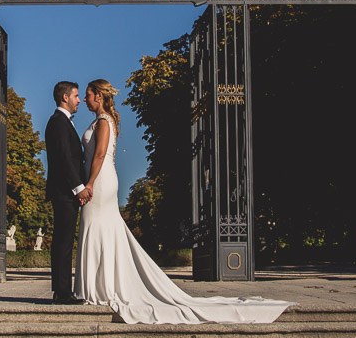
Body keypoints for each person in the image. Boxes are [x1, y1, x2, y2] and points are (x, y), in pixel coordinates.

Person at [74, 78, 295, 324]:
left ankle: (97, 288)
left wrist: (90, 183)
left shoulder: (104, 122)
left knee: (96, 226)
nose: (85, 99)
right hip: (101, 178)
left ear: (99, 96)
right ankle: (99, 286)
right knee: (101, 229)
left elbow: (101, 153)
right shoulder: (101, 121)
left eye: (88, 94)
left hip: (101, 180)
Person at [44, 80, 89, 304]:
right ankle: (62, 292)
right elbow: (64, 159)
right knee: (63, 242)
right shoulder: (58, 123)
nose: (79, 100)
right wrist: (78, 188)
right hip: (63, 192)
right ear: (65, 97)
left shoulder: (63, 122)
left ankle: (61, 291)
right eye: (76, 96)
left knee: (64, 240)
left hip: (65, 192)